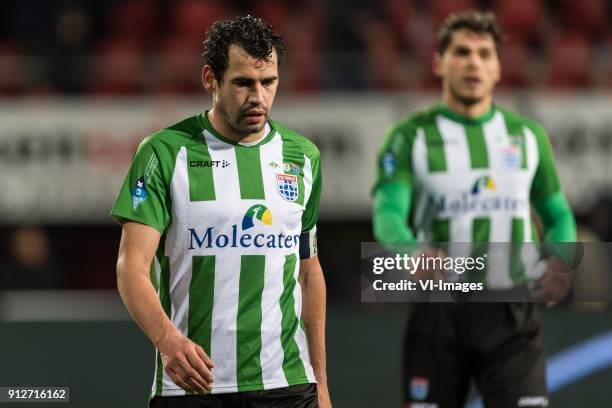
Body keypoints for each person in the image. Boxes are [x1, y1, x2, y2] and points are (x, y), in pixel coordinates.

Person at [111, 16, 330, 408]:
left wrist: (322, 384)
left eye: (269, 83)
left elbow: (308, 271)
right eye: (243, 83)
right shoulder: (164, 153)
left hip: (288, 385)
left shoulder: (303, 157)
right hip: (193, 384)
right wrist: (167, 340)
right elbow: (131, 268)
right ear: (210, 79)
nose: (258, 98)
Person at [372, 11, 576, 408]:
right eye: (462, 52)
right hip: (439, 309)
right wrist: (411, 252)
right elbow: (387, 213)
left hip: (511, 311)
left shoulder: (527, 136)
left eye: (485, 54)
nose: (473, 63)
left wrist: (562, 259)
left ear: (499, 67)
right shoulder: (408, 136)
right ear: (439, 62)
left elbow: (557, 213)